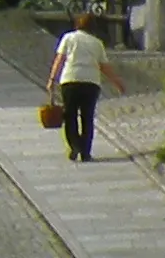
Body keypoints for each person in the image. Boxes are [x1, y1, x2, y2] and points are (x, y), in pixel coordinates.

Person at [45, 9, 125, 162]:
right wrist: (117, 82)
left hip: (70, 80)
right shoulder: (97, 43)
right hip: (91, 82)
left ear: (77, 24)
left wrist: (52, 79)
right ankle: (86, 152)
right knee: (87, 117)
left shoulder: (68, 38)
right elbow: (104, 67)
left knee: (70, 115)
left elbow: (59, 60)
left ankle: (74, 145)